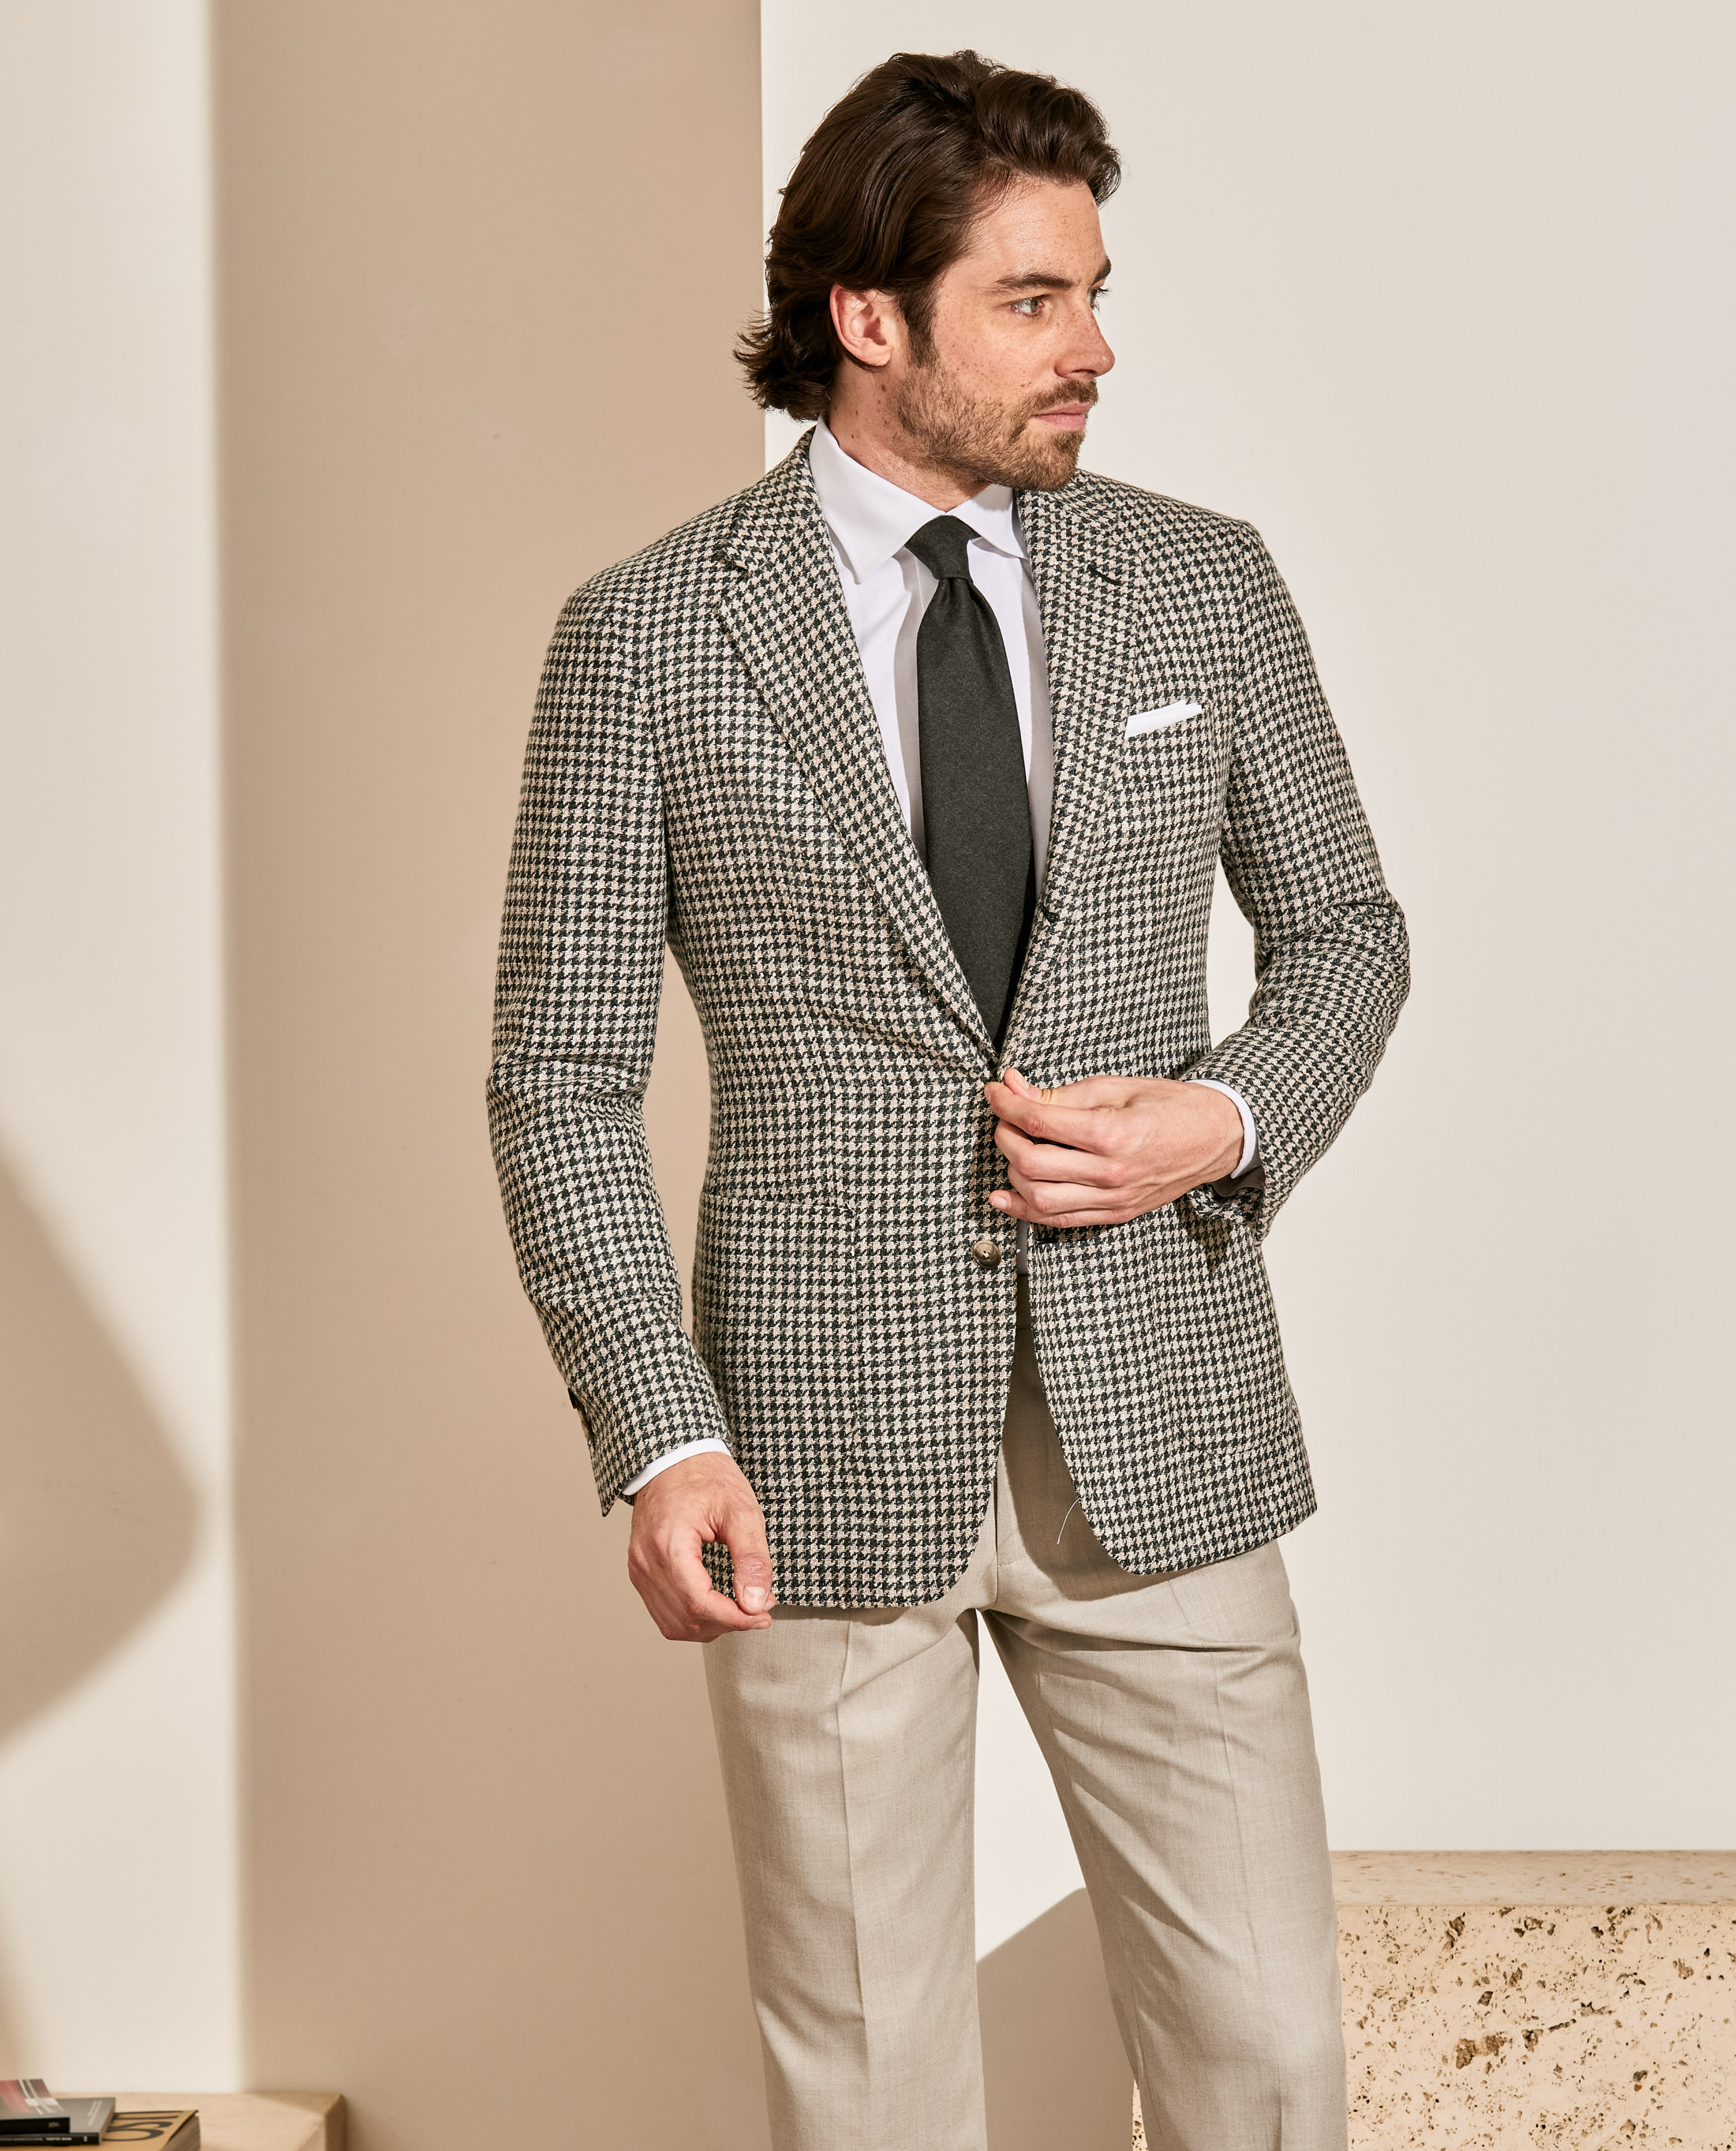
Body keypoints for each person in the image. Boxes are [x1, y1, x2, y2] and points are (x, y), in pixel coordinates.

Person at [488, 47, 1408, 2151]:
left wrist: (1225, 1119)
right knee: (873, 2091)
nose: (1095, 348)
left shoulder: (1202, 582)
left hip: (1162, 1417)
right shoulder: (646, 638)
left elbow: (1346, 932)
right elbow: (561, 1080)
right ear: (870, 319)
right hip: (809, 1453)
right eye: (1033, 300)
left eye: (1095, 294)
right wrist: (660, 1430)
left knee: (1269, 2063)